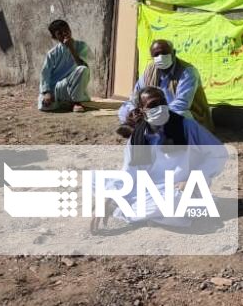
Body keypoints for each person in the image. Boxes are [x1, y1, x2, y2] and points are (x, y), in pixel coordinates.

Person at [93, 86, 227, 229]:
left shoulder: (186, 126)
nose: (160, 108)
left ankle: (126, 212)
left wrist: (193, 178)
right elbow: (129, 173)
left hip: (181, 189)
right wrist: (110, 196)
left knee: (173, 202)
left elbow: (219, 154)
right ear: (141, 110)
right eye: (152, 105)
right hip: (150, 191)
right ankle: (154, 216)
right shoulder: (137, 136)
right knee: (96, 180)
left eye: (163, 102)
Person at [117, 39, 212, 137]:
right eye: (156, 54)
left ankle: (143, 129)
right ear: (152, 56)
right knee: (124, 110)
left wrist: (155, 115)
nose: (160, 57)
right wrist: (134, 110)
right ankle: (147, 129)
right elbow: (135, 95)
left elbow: (182, 104)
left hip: (181, 112)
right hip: (151, 112)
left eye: (164, 53)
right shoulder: (149, 71)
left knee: (183, 114)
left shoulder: (188, 72)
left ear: (173, 53)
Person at [38, 19, 91, 112]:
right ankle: (65, 102)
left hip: (74, 86)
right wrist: (47, 92)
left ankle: (76, 102)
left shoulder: (81, 46)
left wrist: (71, 48)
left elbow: (84, 66)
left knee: (83, 69)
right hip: (58, 87)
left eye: (66, 30)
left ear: (70, 30)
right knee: (44, 106)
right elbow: (45, 74)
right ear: (54, 37)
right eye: (60, 33)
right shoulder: (52, 53)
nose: (64, 34)